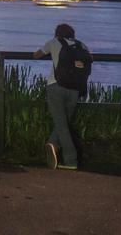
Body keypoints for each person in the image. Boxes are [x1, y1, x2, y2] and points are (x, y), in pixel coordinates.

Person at [34, 23, 92, 170]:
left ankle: (71, 161)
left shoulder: (54, 42)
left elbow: (37, 54)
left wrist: (50, 53)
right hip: (75, 89)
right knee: (63, 123)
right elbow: (90, 58)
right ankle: (52, 144)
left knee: (61, 124)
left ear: (57, 33)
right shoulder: (82, 45)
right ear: (72, 33)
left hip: (56, 86)